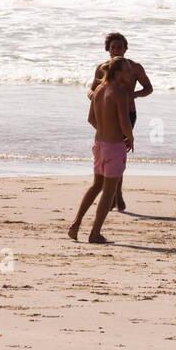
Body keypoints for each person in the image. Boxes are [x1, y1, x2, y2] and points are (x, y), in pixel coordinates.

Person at [70, 56, 134, 244]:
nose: (130, 74)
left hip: (99, 145)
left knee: (96, 185)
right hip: (114, 147)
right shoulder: (120, 92)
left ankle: (76, 223)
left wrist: (105, 129)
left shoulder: (98, 89)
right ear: (117, 73)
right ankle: (95, 233)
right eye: (127, 70)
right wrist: (130, 138)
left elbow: (91, 119)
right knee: (108, 191)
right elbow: (125, 123)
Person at [91, 32, 152, 211]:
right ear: (108, 49)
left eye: (120, 47)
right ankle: (114, 195)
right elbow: (93, 90)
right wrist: (91, 95)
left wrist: (132, 95)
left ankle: (117, 194)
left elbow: (149, 88)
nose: (117, 50)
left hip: (128, 112)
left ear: (126, 48)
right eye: (113, 47)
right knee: (110, 152)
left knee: (118, 154)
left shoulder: (134, 68)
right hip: (107, 115)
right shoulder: (101, 68)